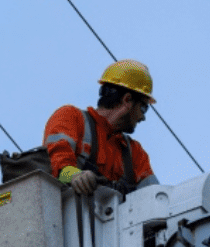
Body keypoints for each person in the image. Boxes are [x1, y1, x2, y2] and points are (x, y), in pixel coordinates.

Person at [44, 60, 159, 195]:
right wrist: (75, 176)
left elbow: (155, 196)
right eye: (143, 107)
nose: (143, 117)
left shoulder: (135, 153)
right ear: (127, 100)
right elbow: (55, 166)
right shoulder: (71, 118)